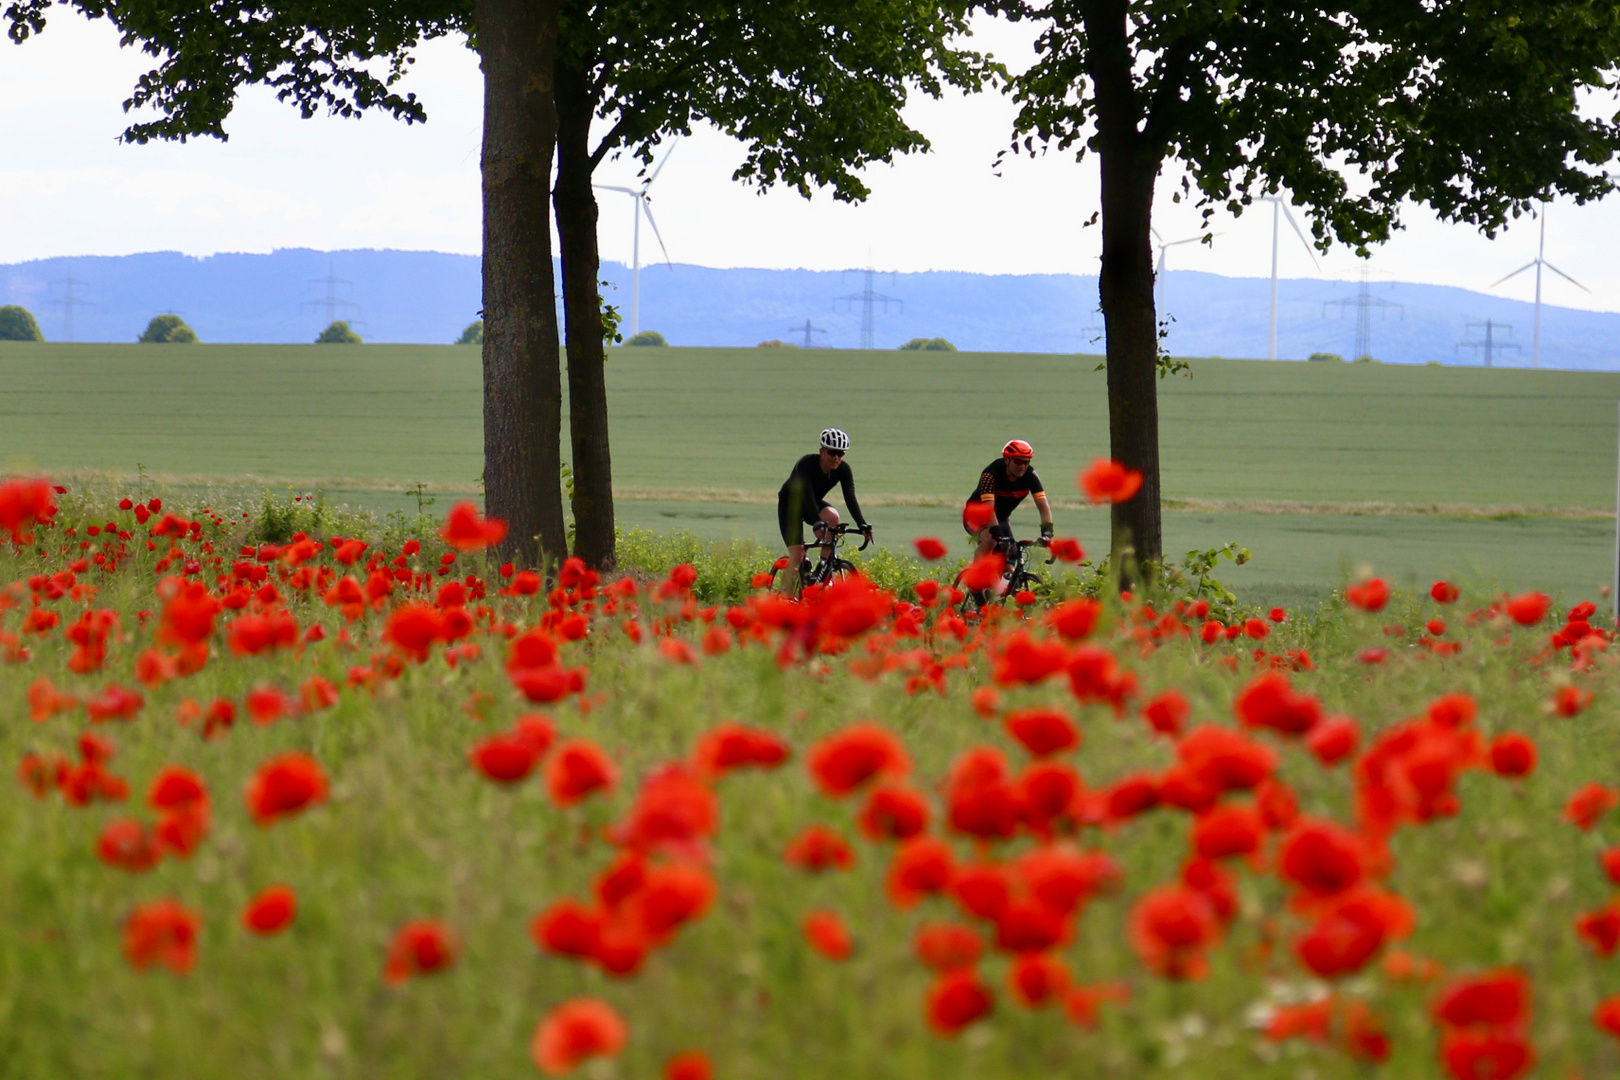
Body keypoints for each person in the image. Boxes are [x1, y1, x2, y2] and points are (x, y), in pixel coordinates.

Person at [778, 428, 872, 584]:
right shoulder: (806, 463)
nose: (836, 458)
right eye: (832, 453)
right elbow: (806, 493)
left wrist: (861, 523)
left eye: (840, 454)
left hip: (812, 503)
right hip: (791, 506)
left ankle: (822, 568)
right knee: (797, 555)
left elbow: (850, 497)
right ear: (822, 451)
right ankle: (784, 598)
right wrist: (816, 521)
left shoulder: (843, 469)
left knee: (833, 517)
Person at [963, 439, 1053, 560]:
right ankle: (977, 576)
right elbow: (988, 509)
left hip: (1001, 518)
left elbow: (1044, 507)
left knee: (1011, 560)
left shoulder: (1030, 475)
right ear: (1006, 459)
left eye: (1027, 462)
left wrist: (1047, 534)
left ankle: (1006, 577)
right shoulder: (990, 474)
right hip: (977, 515)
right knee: (990, 540)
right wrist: (997, 535)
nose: (1022, 466)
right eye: (1018, 461)